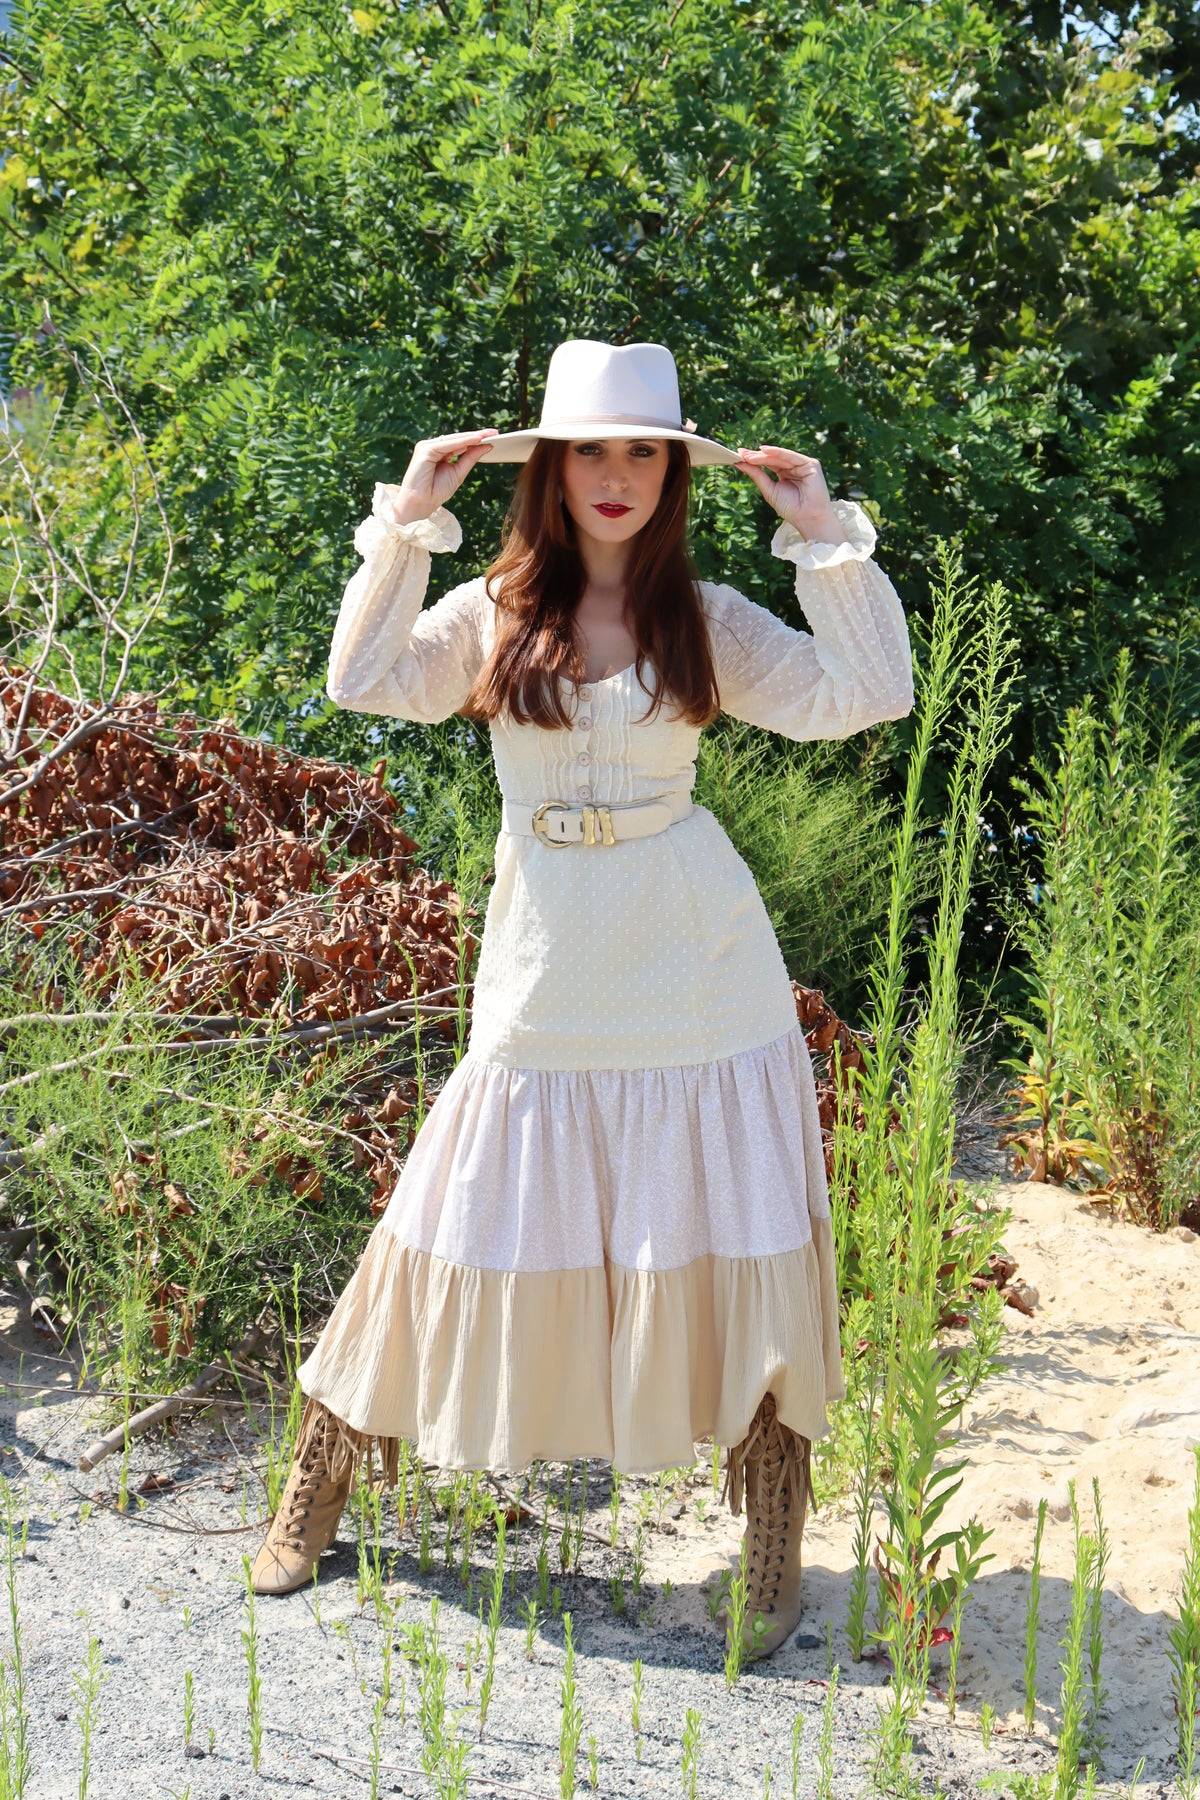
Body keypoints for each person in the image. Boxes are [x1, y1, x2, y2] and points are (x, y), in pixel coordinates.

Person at [249, 339, 914, 1660]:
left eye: (644, 453)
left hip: (697, 964)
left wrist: (826, 536)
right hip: (549, 964)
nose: (617, 476)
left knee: (744, 1227)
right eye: (591, 451)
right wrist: (406, 522)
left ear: (672, 474)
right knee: (449, 1213)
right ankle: (320, 1481)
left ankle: (772, 1528)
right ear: (550, 471)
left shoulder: (709, 618)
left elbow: (871, 692)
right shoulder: (494, 609)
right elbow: (361, 682)